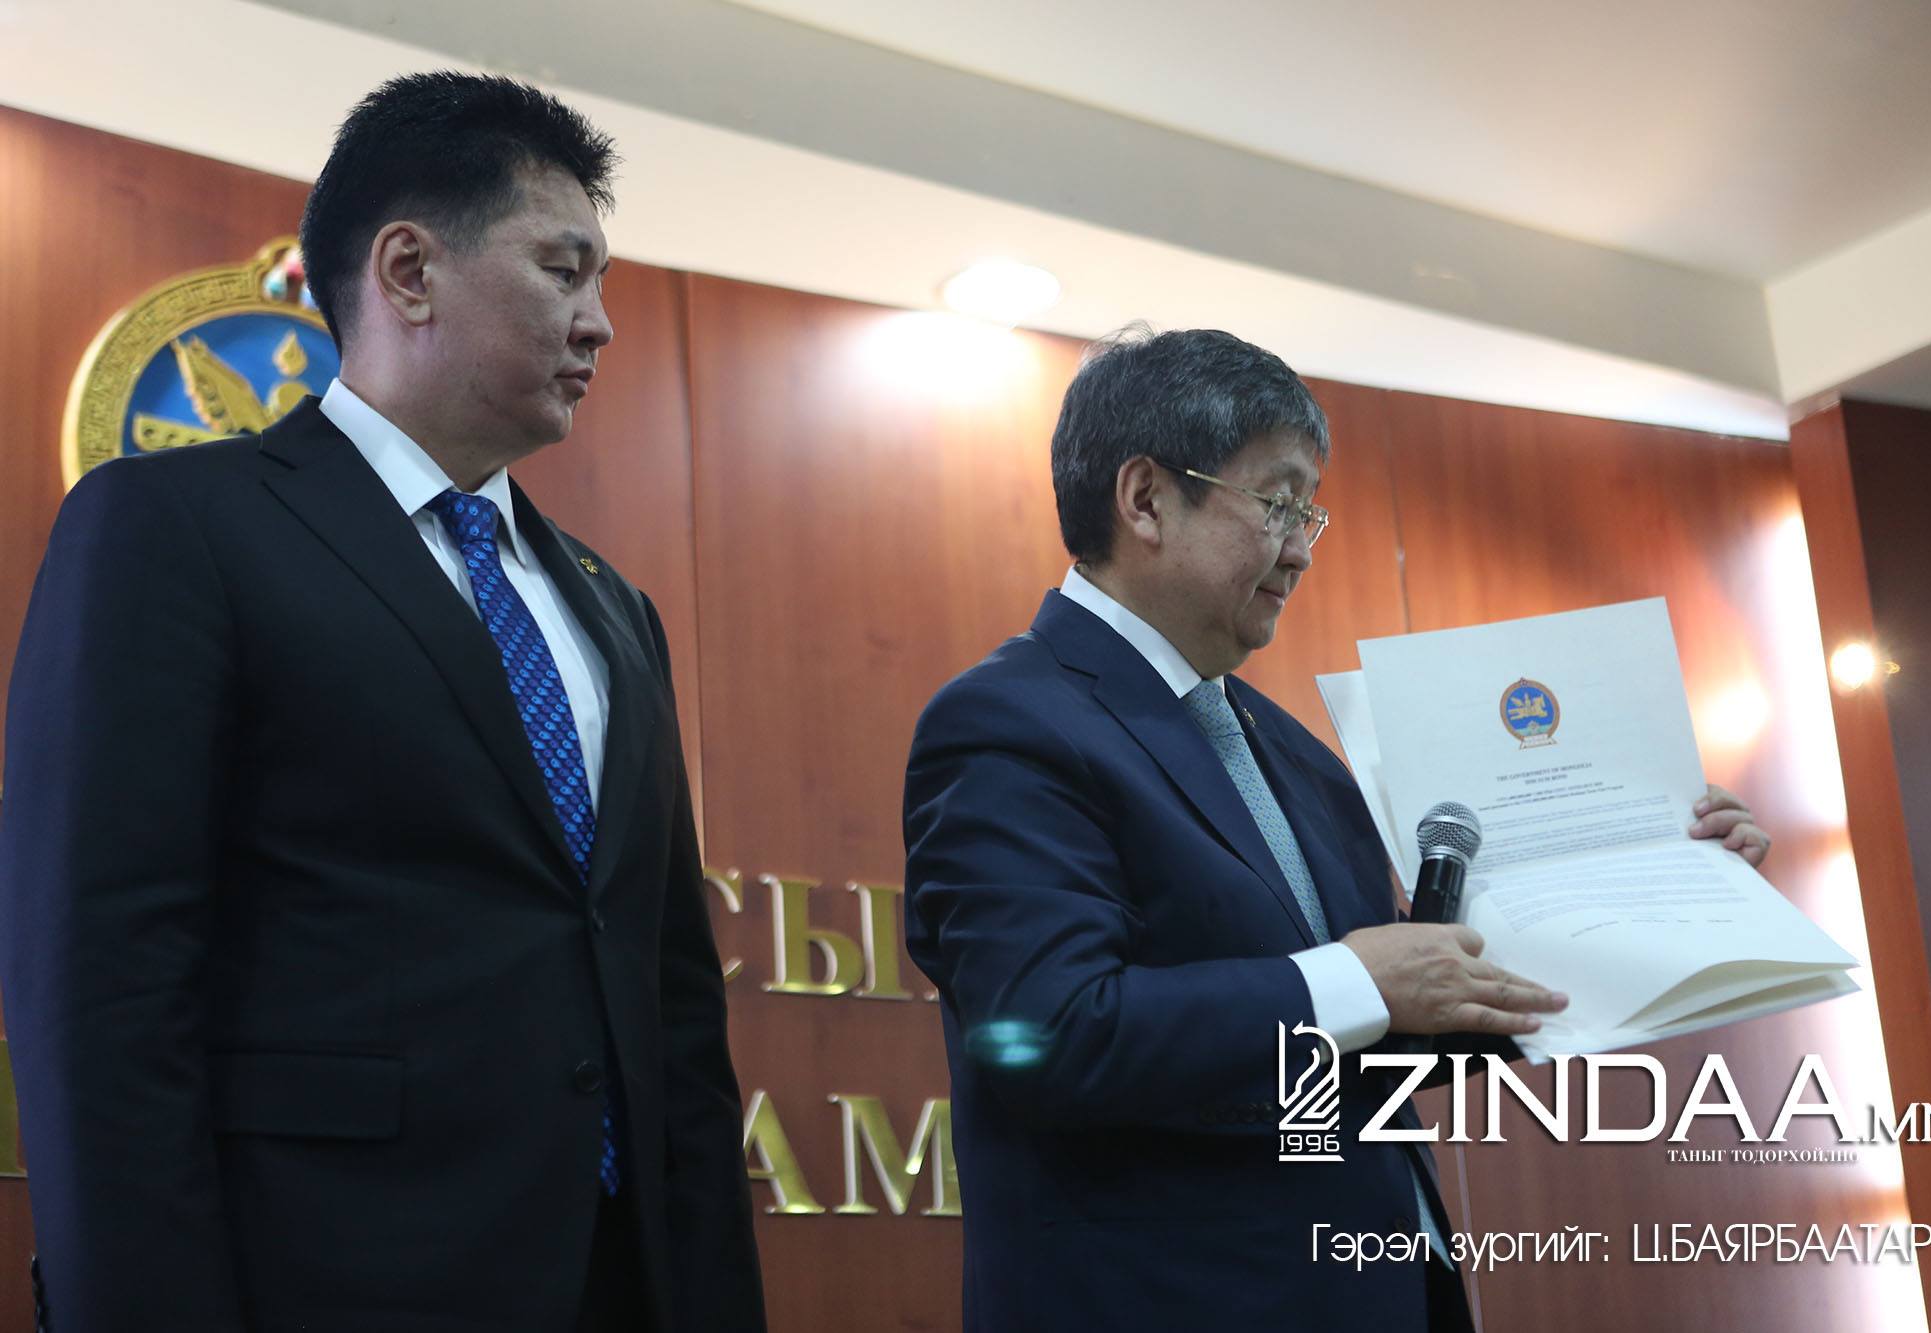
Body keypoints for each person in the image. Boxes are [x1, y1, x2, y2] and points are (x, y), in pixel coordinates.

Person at [0, 73, 763, 1332]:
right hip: (324, 1278)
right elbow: (103, 986)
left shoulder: (613, 608)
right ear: (408, 271)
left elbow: (672, 1004)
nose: (600, 324)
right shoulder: (177, 527)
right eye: (563, 271)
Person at [902, 326, 1772, 1332]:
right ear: (1144, 500)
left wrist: (1671, 894)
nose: (1303, 546)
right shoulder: (1009, 721)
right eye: (1277, 503)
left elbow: (1383, 1038)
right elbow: (1048, 1034)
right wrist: (1356, 978)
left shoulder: (1293, 752)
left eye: (1310, 509)